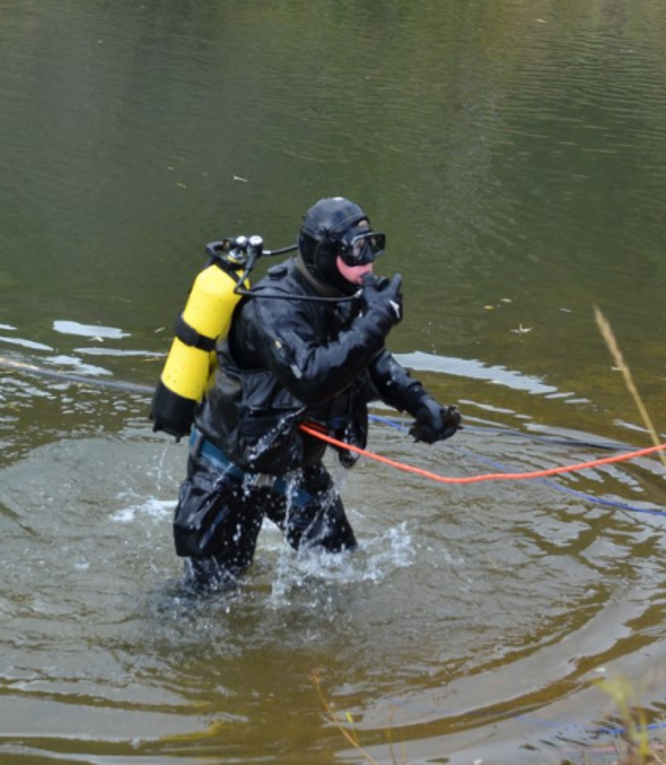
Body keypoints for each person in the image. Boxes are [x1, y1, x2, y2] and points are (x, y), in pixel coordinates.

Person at [171, 197, 462, 594]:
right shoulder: (273, 307)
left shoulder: (344, 295)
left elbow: (369, 357)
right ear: (325, 254)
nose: (369, 262)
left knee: (338, 567)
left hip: (292, 461)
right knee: (209, 594)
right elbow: (310, 377)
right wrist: (378, 319)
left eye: (372, 247)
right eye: (357, 250)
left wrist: (420, 403)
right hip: (230, 464)